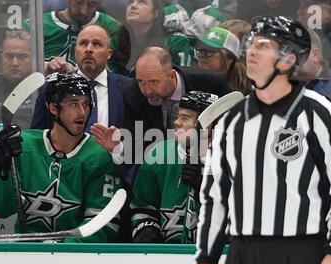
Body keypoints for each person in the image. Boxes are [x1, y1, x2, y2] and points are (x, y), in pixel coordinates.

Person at [195, 16, 331, 264]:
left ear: (288, 60)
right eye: (251, 43)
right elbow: (216, 196)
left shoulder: (318, 113)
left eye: (263, 45)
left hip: (302, 254)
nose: (250, 51)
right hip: (243, 257)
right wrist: (206, 257)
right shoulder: (232, 121)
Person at [0, 73, 122, 242]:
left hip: (74, 259)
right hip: (25, 255)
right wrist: (1, 172)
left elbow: (102, 224)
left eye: (86, 104)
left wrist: (60, 249)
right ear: (53, 108)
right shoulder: (22, 146)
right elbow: (1, 208)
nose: (82, 112)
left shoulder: (98, 156)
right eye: (73, 104)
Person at [91, 46, 230, 183]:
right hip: (159, 173)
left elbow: (232, 130)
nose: (147, 90)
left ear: (171, 75)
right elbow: (135, 145)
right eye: (141, 81)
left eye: (154, 82)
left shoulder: (212, 84)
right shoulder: (132, 94)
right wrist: (118, 147)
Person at [131, 91, 218, 244]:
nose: (176, 122)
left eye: (185, 118)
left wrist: (206, 190)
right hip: (167, 257)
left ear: (207, 126)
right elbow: (142, 206)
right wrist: (145, 230)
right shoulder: (159, 154)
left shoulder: (232, 160)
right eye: (178, 116)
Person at [31, 25, 130, 131]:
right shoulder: (51, 89)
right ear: (75, 51)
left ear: (109, 54)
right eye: (83, 43)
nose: (88, 49)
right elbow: (37, 136)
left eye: (97, 44)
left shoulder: (128, 88)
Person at [22, 0, 124, 74]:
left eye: (92, 5)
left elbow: (118, 71)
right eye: (79, 2)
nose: (83, 11)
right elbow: (18, 65)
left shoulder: (113, 28)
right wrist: (45, 67)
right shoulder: (34, 26)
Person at [124, 0, 193, 69]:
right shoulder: (120, 40)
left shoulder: (176, 42)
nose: (133, 6)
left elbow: (182, 77)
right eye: (131, 2)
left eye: (142, 2)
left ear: (155, 13)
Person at [195, 26, 252, 94]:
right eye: (200, 51)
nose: (202, 56)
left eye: (209, 51)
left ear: (229, 58)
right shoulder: (192, 83)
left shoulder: (246, 94)